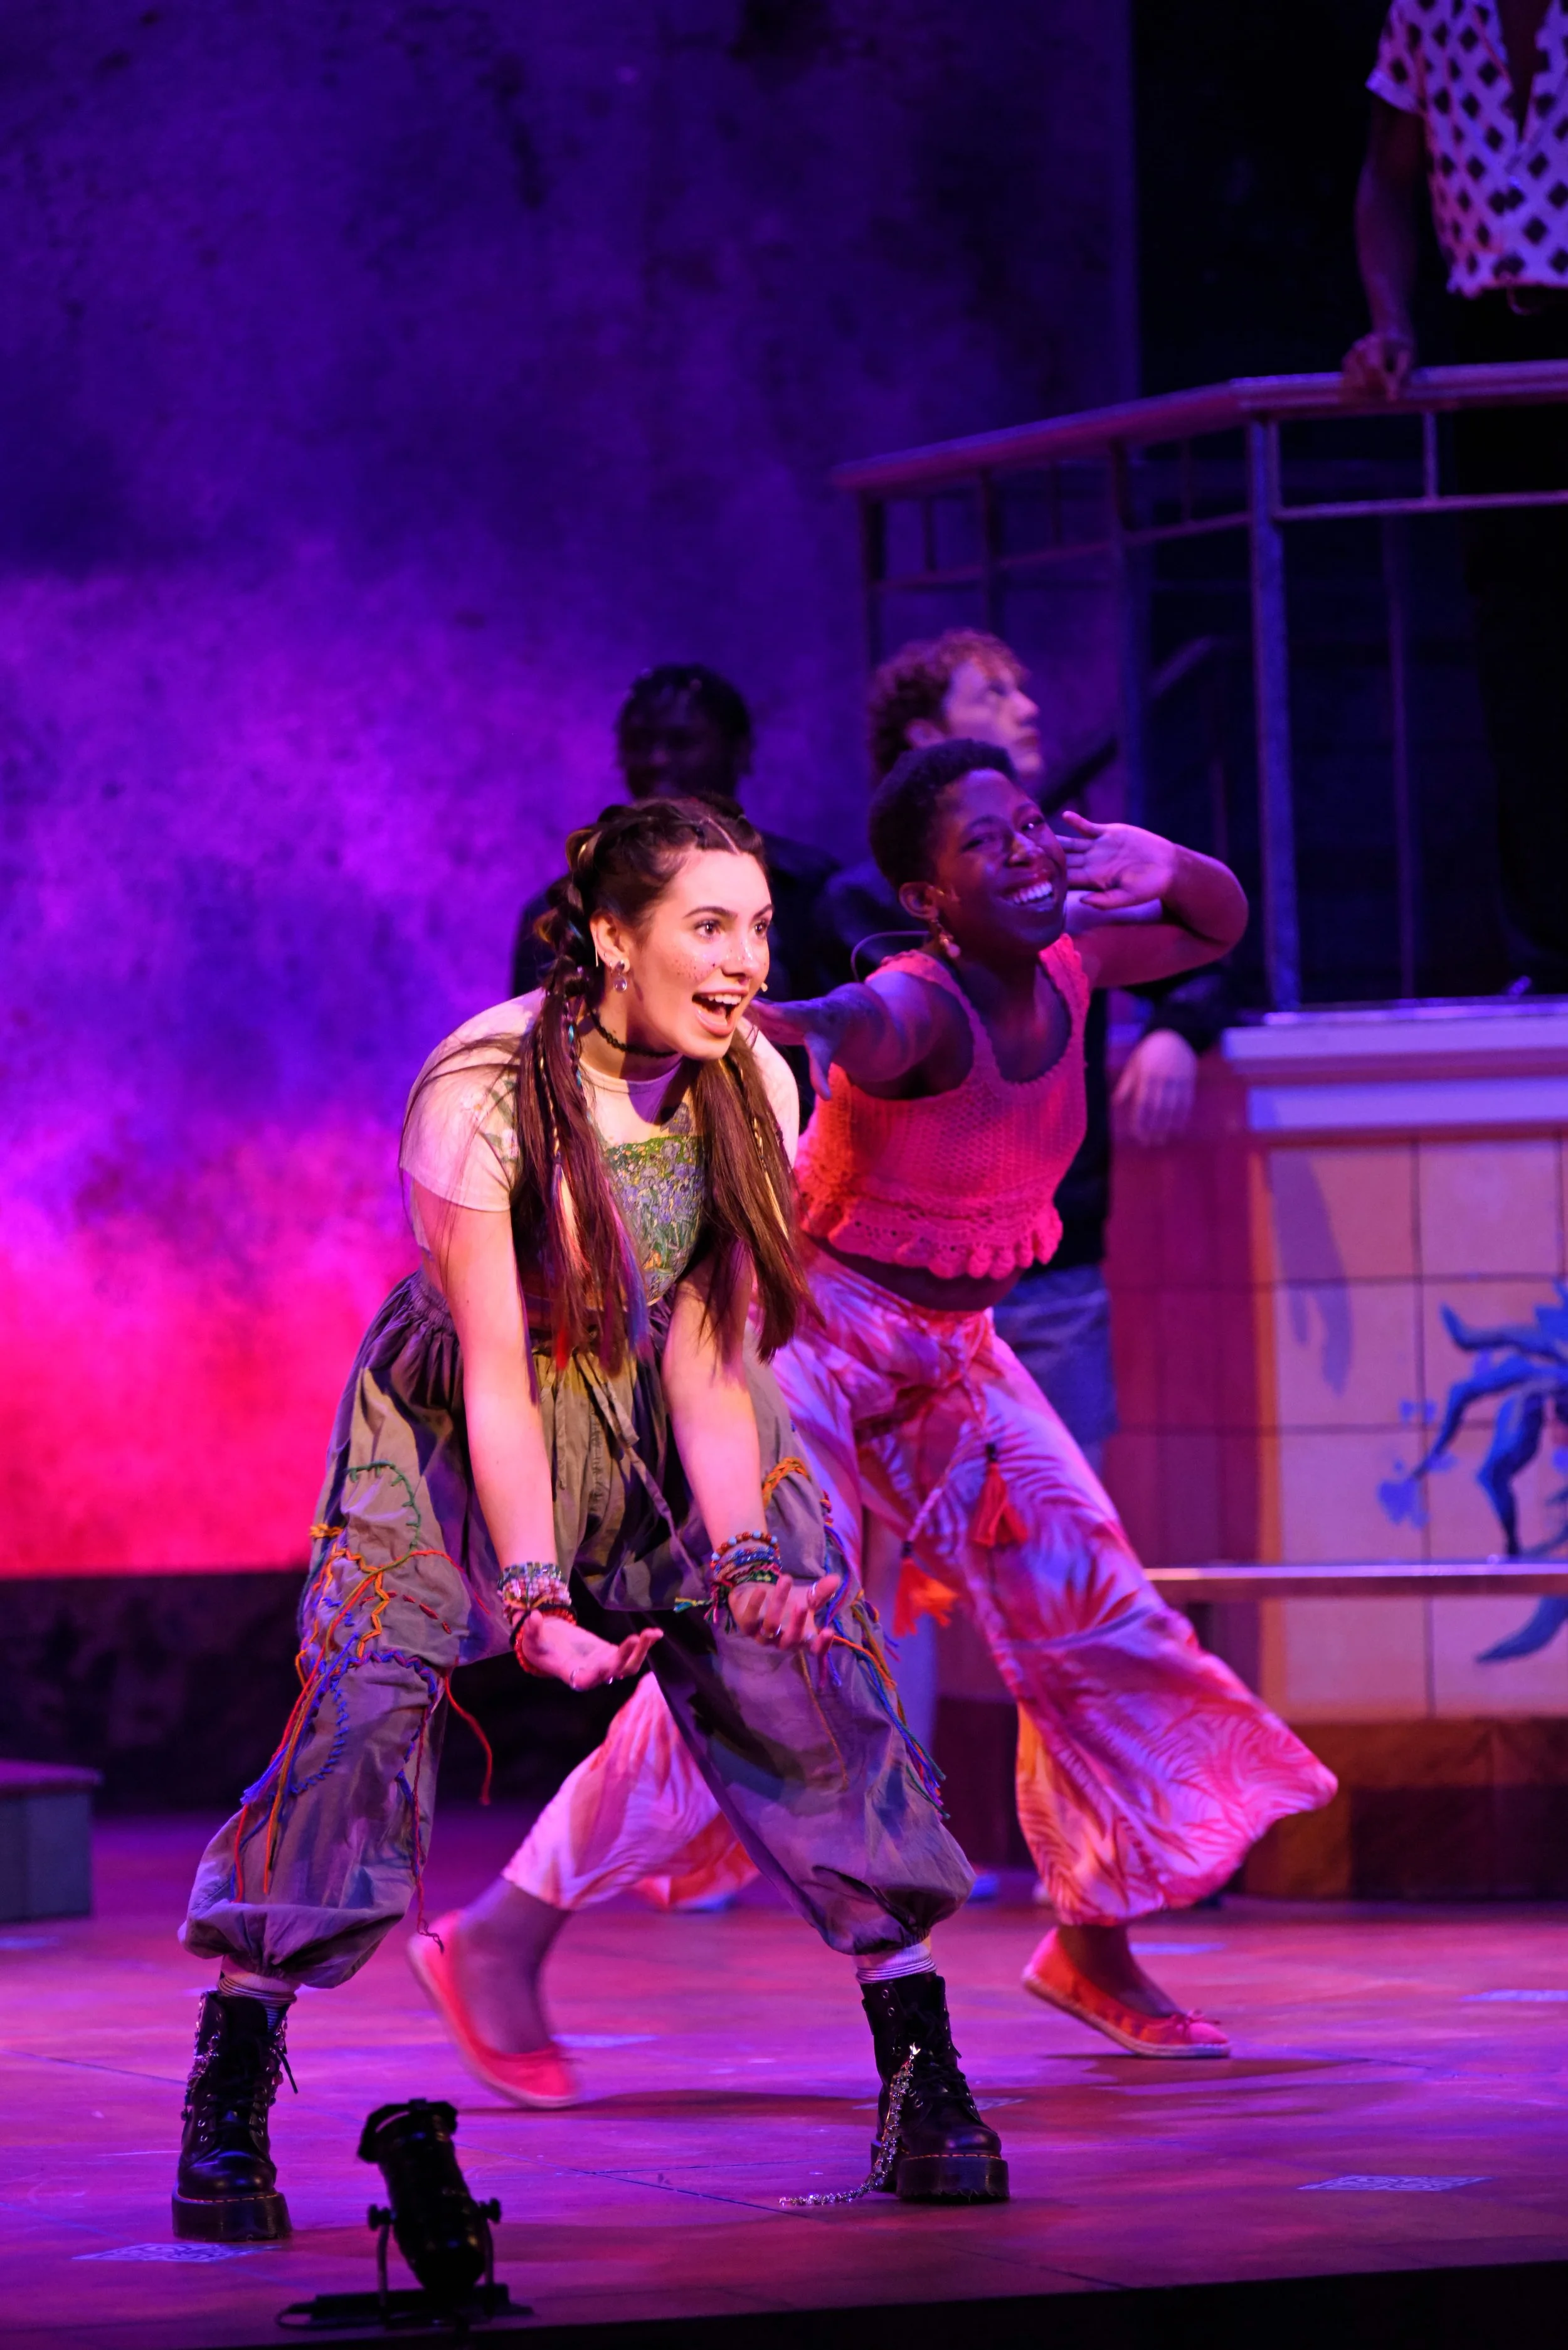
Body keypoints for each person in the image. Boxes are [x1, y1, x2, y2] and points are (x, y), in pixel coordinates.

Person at [172, 796, 1004, 2243]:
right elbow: (499, 1368)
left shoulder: (754, 1077)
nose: (748, 957)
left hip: (666, 1407)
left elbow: (709, 1349)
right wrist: (536, 1598)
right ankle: (231, 2081)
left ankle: (924, 2068)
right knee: (360, 1713)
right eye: (708, 926)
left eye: (758, 925)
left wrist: (745, 1559)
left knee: (813, 1683)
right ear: (614, 939)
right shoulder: (483, 1090)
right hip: (458, 1418)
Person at [439, 747, 1333, 2083]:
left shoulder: (1075, 959)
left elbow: (1210, 924)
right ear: (928, 895)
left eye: (1030, 826)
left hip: (948, 1353)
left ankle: (1090, 1936)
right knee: (761, 1662)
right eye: (989, 844)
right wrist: (728, 1012)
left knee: (1091, 1607)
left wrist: (1173, 865)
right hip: (798, 1345)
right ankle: (499, 1933)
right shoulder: (912, 1005)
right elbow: (830, 1021)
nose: (1027, 852)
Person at [840, 628, 1229, 1479]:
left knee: (1059, 1532)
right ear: (922, 732)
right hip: (905, 1282)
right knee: (906, 1551)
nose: (1029, 709)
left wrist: (1175, 1026)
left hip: (1051, 1264)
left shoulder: (1057, 889)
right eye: (994, 695)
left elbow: (1209, 944)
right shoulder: (856, 908)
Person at [1345, 0, 1568, 991]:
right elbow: (1389, 181)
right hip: (1496, 348)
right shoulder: (1432, 13)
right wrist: (1392, 320)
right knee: (1523, 652)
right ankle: (1552, 945)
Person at [512, 664, 839, 1110]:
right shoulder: (565, 905)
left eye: (682, 742)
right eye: (641, 744)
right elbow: (536, 1046)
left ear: (739, 751)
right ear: (610, 935)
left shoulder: (811, 887)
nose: (659, 760)